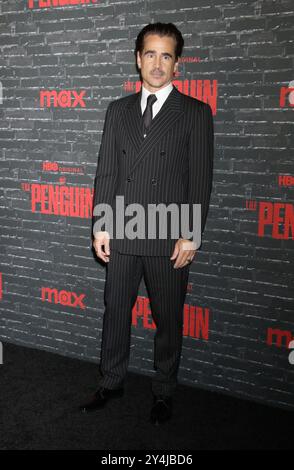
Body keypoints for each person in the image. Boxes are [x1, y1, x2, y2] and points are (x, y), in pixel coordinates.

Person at [80, 22, 214, 426]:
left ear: (177, 64)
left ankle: (164, 391)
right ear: (138, 59)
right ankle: (111, 380)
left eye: (166, 55)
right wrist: (101, 225)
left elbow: (200, 178)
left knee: (168, 320)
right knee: (115, 310)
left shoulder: (194, 112)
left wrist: (191, 233)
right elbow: (106, 173)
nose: (157, 63)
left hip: (167, 232)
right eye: (150, 54)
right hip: (122, 228)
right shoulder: (117, 110)